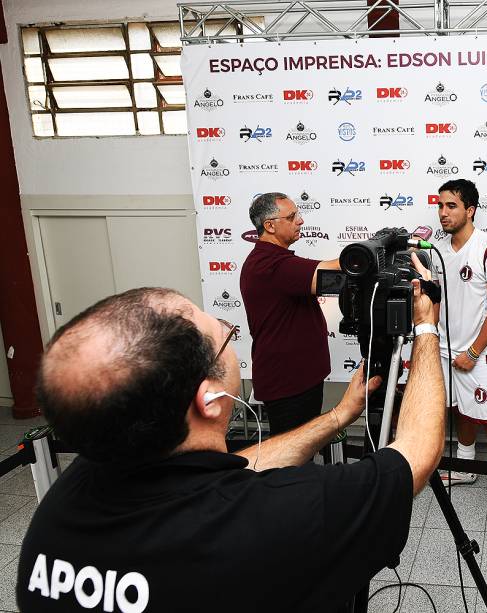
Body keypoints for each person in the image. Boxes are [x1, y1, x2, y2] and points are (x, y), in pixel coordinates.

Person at [18, 261, 444, 612]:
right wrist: (426, 328)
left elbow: (230, 476)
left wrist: (337, 416)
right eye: (225, 335)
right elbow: (416, 454)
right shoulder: (288, 516)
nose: (230, 339)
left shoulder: (63, 508)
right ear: (210, 399)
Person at [431, 178, 487, 543]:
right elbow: (436, 303)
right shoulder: (436, 251)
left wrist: (472, 352)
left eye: (451, 206)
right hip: (445, 352)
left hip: (479, 356)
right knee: (459, 411)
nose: (443, 212)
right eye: (440, 205)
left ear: (470, 210)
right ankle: (466, 467)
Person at [240, 192, 338, 435]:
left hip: (300, 378)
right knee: (291, 459)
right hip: (288, 383)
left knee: (302, 451)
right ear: (270, 225)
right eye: (292, 216)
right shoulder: (269, 265)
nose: (300, 221)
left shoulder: (278, 260)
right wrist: (365, 253)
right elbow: (327, 273)